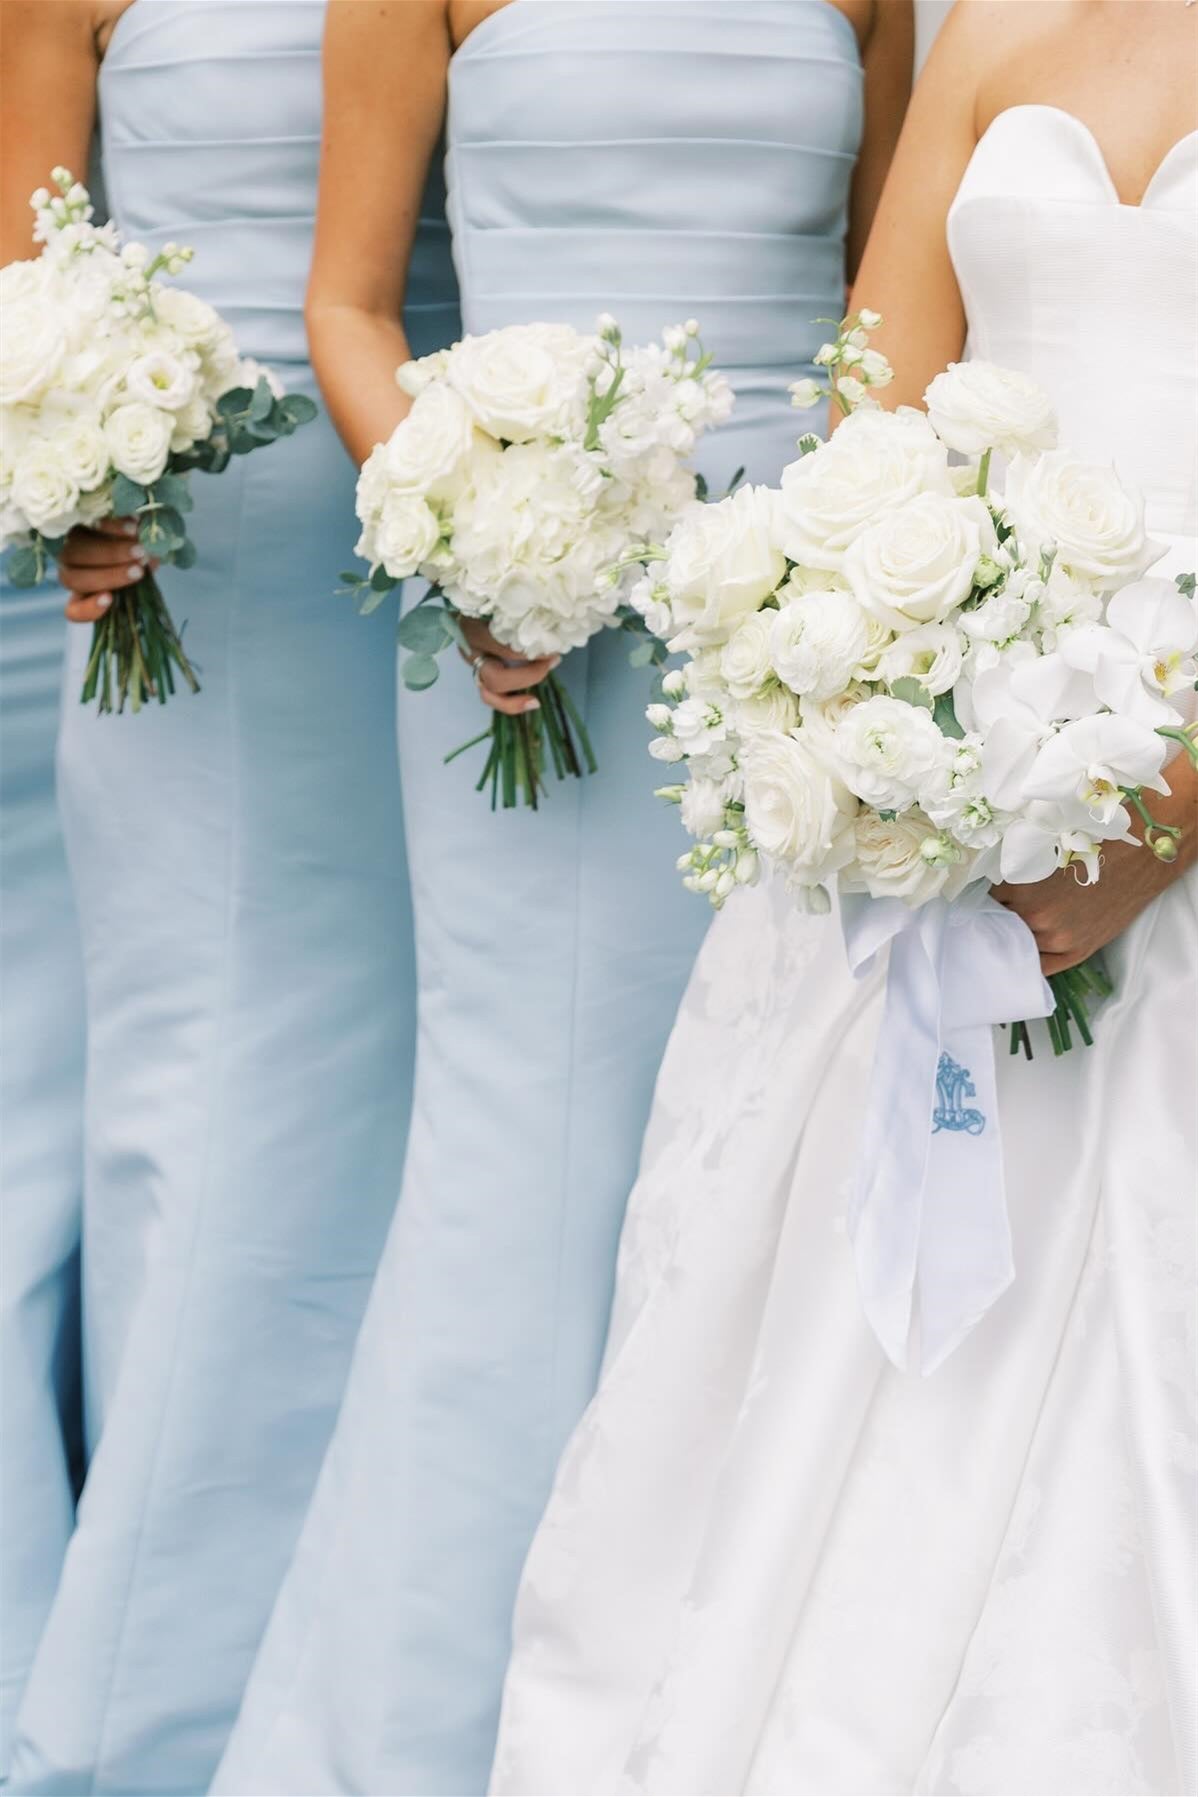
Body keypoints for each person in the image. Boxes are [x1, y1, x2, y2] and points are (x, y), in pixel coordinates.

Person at [487, 3, 1198, 1792]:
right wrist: (898, 699)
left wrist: (1169, 813)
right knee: (805, 1342)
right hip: (950, 803)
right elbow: (864, 425)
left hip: (1170, 789)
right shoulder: (993, 30)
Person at [212, 2, 912, 1791]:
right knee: (520, 1173)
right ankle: (420, 1734)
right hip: (531, 630)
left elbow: (880, 312)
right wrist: (467, 542)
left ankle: (694, 1712)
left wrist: (857, 605)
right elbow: (351, 309)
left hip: (798, 654)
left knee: (763, 1170)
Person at [0, 2, 458, 1789]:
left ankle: (357, 1643)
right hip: (180, 573)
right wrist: (63, 467)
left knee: (410, 1105)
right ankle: (158, 1681)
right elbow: (26, 269)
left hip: (433, 523)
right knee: (207, 1110)